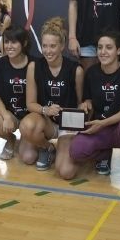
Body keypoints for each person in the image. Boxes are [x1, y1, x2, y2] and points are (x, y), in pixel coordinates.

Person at [65, 30, 120, 195]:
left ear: (119, 51)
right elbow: (88, 100)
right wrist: (86, 105)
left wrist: (103, 123)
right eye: (100, 47)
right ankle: (104, 155)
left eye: (109, 47)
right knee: (76, 151)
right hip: (101, 128)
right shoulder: (92, 73)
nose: (103, 51)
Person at [19, 17, 83, 173]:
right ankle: (48, 148)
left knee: (66, 171)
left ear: (62, 46)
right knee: (27, 155)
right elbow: (30, 104)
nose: (48, 51)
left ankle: (66, 148)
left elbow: (81, 104)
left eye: (53, 46)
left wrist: (82, 109)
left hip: (67, 122)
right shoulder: (34, 66)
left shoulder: (76, 70)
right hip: (46, 121)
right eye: (44, 46)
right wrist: (45, 110)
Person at [0, 26, 34, 161]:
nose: (9, 46)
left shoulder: (35, 63)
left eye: (14, 42)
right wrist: (6, 116)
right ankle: (10, 139)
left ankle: (28, 138)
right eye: (6, 42)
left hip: (30, 116)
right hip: (11, 112)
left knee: (28, 157)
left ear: (24, 43)